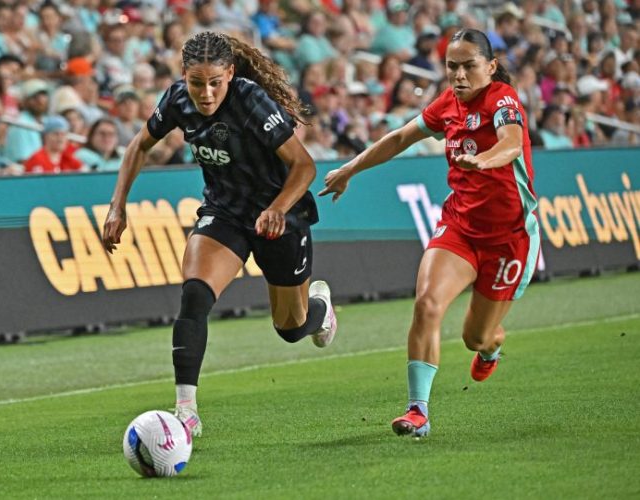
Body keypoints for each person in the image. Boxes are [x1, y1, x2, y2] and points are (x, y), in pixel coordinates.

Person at [102, 31, 338, 438]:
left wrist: (277, 208)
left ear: (230, 74)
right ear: (184, 75)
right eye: (197, 83)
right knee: (194, 294)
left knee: (290, 329)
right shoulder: (177, 100)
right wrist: (117, 205)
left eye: (215, 82)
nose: (206, 93)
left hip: (279, 215)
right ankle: (186, 412)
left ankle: (320, 310)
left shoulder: (250, 101)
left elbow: (304, 166)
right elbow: (139, 146)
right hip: (225, 212)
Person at [320, 28, 540, 438]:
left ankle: (492, 346)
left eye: (469, 66)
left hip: (509, 238)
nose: (459, 75)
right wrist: (351, 168)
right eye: (452, 66)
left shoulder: (503, 99)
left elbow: (511, 143)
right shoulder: (448, 104)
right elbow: (402, 137)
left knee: (475, 337)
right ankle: (417, 410)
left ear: (491, 66)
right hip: (460, 227)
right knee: (427, 303)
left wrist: (484, 160)